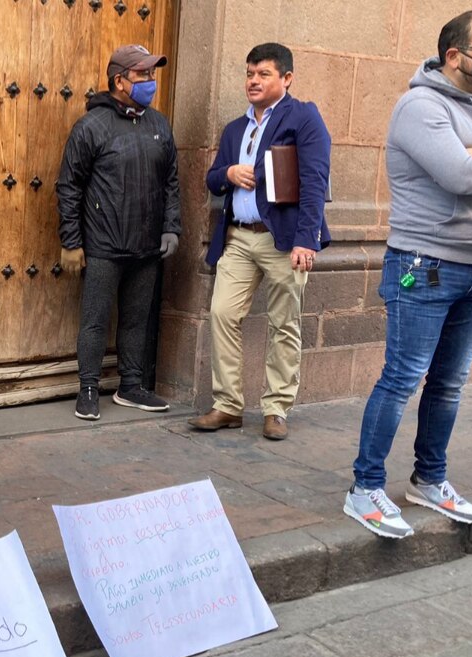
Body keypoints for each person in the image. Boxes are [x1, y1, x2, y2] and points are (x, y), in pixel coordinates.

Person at [344, 9, 472, 538]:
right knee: (402, 377)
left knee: (450, 383)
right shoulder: (419, 106)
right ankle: (364, 488)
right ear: (454, 56)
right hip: (425, 265)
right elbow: (459, 175)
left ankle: (428, 480)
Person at [189, 43, 331, 441]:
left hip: (283, 241)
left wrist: (307, 239)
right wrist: (229, 172)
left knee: (284, 323)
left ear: (286, 78)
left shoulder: (303, 118)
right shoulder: (236, 129)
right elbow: (212, 178)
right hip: (237, 238)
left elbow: (315, 180)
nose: (253, 80)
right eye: (249, 73)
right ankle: (228, 405)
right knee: (222, 313)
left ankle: (277, 408)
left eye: (263, 74)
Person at [56, 44, 182, 422]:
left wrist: (171, 227)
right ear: (120, 81)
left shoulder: (159, 124)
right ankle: (89, 388)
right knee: (95, 320)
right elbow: (69, 186)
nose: (150, 82)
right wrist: (71, 241)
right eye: (143, 75)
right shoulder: (91, 126)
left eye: (151, 74)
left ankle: (131, 386)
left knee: (135, 319)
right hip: (104, 244)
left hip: (146, 246)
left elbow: (171, 182)